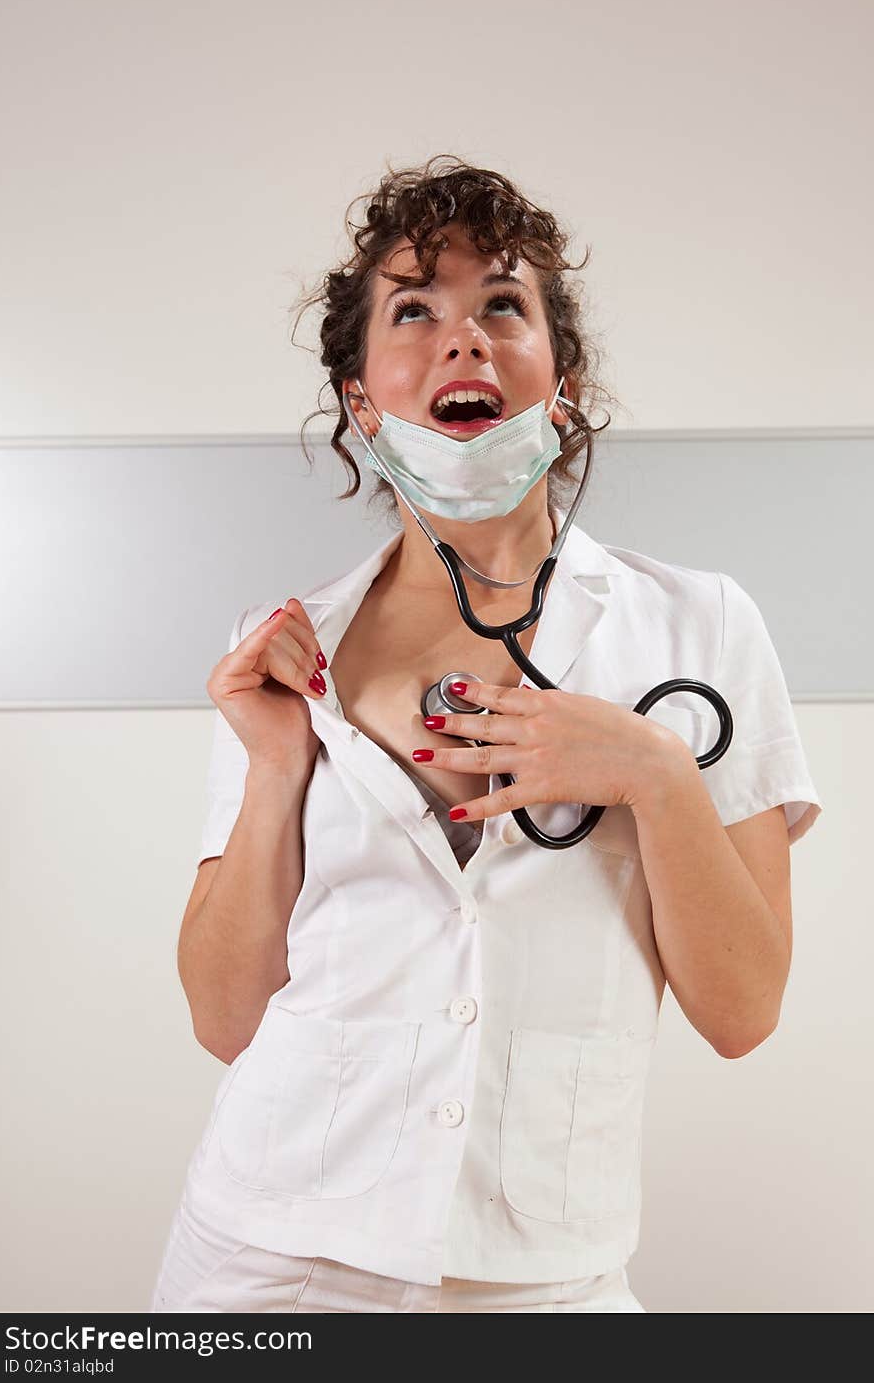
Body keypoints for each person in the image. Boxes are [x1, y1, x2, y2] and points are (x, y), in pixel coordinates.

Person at [149, 155, 823, 1313]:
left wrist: (655, 776)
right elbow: (224, 1018)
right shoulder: (287, 647)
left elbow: (742, 1011)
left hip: (539, 1272)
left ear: (559, 380)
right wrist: (277, 768)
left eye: (502, 305)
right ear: (363, 399)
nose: (462, 339)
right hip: (269, 1262)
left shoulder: (699, 624)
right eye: (414, 310)